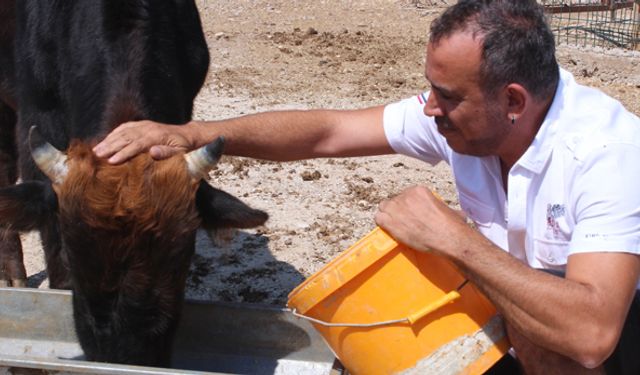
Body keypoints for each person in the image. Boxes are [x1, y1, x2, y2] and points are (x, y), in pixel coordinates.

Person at [94, 0, 640, 373]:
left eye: (446, 95)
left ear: (514, 101)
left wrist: (453, 238)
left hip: (610, 336)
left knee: (552, 340)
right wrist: (194, 134)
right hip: (542, 313)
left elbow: (591, 335)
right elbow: (328, 131)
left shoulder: (605, 155)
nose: (429, 108)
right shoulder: (466, 119)